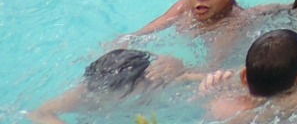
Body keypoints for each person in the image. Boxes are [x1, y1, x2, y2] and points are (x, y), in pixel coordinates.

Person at [28, 49, 188, 124]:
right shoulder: (89, 94)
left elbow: (196, 79)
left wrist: (181, 69)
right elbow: (39, 113)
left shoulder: (157, 81)